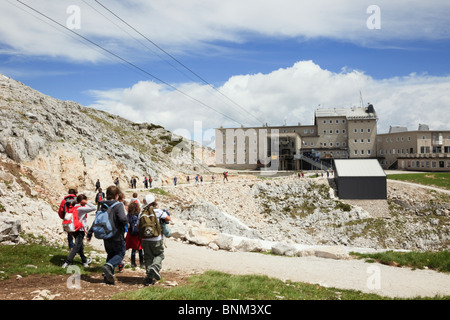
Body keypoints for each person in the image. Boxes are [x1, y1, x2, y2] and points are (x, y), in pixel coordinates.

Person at [87, 185, 128, 285]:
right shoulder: (118, 205)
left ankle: (107, 278)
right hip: (117, 234)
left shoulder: (103, 205)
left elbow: (96, 219)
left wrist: (90, 233)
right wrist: (127, 224)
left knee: (110, 253)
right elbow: (123, 219)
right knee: (120, 253)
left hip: (106, 234)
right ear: (117, 195)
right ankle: (109, 266)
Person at [139, 194, 171, 286]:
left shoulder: (142, 213)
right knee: (160, 254)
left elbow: (138, 225)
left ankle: (149, 278)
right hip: (157, 238)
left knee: (148, 257)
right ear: (154, 202)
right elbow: (168, 218)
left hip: (145, 239)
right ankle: (155, 267)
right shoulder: (158, 211)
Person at [62, 194, 96, 268]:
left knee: (80, 246)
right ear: (82, 200)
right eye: (85, 200)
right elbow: (94, 208)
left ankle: (85, 261)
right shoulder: (80, 208)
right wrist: (87, 203)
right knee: (77, 246)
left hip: (74, 229)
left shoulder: (74, 207)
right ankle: (67, 262)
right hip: (80, 230)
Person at [125, 201, 143, 268]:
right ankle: (142, 263)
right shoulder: (139, 214)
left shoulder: (128, 215)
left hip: (131, 234)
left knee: (133, 249)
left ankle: (133, 263)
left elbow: (126, 224)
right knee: (140, 249)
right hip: (139, 234)